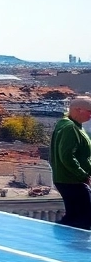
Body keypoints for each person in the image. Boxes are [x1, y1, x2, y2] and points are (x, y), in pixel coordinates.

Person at [50, 96, 91, 229]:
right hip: (71, 180)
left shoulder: (73, 126)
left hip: (69, 179)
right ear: (78, 110)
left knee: (74, 217)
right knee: (84, 217)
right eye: (89, 111)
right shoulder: (70, 127)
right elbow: (66, 156)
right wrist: (83, 175)